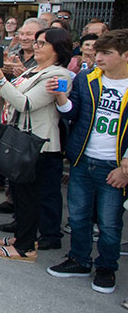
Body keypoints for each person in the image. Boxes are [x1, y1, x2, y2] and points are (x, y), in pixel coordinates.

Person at [47, 29, 128, 294]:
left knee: (109, 222)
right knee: (79, 216)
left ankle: (106, 267)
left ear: (125, 56)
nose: (98, 57)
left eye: (106, 53)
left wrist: (125, 165)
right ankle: (79, 259)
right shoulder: (87, 78)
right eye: (97, 52)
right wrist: (61, 99)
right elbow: (73, 113)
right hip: (83, 158)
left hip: (115, 166)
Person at [0, 28, 73, 262]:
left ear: (57, 48)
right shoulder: (34, 70)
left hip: (38, 144)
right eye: (38, 42)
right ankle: (22, 236)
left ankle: (25, 247)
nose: (37, 46)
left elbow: (25, 103)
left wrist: (0, 79)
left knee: (29, 196)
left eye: (43, 43)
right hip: (21, 138)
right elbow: (10, 97)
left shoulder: (58, 75)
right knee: (20, 194)